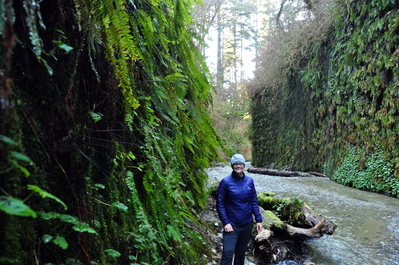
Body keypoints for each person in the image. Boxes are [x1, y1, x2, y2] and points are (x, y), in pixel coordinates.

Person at [216, 154, 263, 265]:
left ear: (244, 165)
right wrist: (226, 222)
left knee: (240, 253)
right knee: (228, 252)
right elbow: (220, 204)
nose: (238, 166)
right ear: (232, 165)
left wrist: (258, 220)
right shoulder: (225, 182)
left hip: (247, 224)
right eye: (236, 164)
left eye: (240, 164)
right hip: (232, 225)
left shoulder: (249, 181)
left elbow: (253, 201)